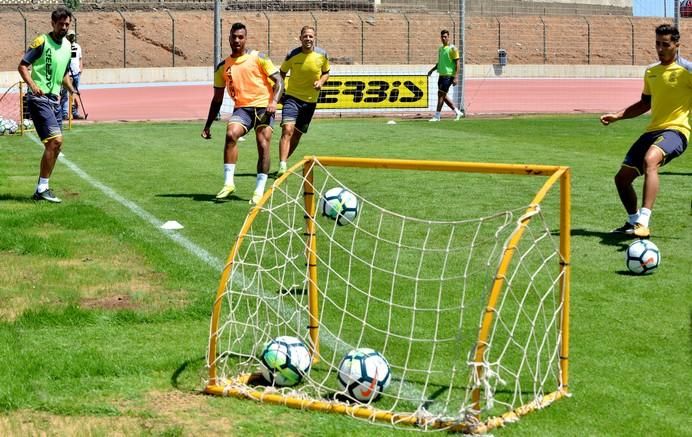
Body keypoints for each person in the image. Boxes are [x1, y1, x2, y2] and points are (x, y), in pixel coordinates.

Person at [600, 24, 691, 238]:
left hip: (677, 131)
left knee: (651, 159)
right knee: (622, 179)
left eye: (665, 44)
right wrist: (618, 115)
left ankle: (644, 220)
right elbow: (644, 104)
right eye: (657, 44)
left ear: (677, 44)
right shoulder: (651, 72)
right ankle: (632, 222)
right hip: (653, 130)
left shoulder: (687, 70)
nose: (660, 49)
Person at [201, 22, 284, 205]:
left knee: (263, 144)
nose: (237, 40)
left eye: (241, 37)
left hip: (264, 107)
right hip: (242, 109)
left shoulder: (259, 57)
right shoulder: (222, 67)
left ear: (245, 39)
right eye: (234, 37)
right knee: (231, 134)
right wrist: (207, 125)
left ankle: (259, 190)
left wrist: (273, 102)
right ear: (229, 39)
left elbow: (279, 81)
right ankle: (229, 183)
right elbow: (217, 99)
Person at [18, 7, 79, 203]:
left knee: (56, 146)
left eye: (67, 24)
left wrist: (73, 91)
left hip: (55, 100)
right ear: (53, 24)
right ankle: (42, 188)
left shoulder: (68, 47)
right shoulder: (41, 41)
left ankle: (42, 189)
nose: (64, 27)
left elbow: (63, 75)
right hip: (39, 99)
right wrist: (33, 85)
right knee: (56, 141)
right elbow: (22, 65)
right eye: (60, 24)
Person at [276, 25, 330, 176]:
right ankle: (282, 165)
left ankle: (284, 160)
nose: (308, 39)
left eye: (310, 36)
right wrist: (281, 92)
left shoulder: (322, 55)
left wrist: (321, 82)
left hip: (310, 102)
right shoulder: (292, 54)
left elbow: (326, 73)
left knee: (297, 134)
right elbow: (281, 73)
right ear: (300, 38)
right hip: (291, 98)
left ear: (314, 38)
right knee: (287, 129)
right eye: (305, 36)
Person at [427, 29, 464, 122]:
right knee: (442, 95)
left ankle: (437, 116)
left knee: (441, 95)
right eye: (442, 37)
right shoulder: (440, 49)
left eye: (445, 37)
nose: (443, 38)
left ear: (448, 37)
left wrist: (455, 77)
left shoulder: (453, 49)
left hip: (448, 75)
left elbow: (457, 64)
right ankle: (457, 112)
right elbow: (439, 63)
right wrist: (432, 70)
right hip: (441, 75)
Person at [59, 29, 83, 120]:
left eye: (73, 36)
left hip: (76, 73)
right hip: (67, 74)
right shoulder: (63, 46)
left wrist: (81, 68)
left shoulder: (77, 46)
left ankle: (74, 112)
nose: (72, 37)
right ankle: (64, 113)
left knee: (74, 93)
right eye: (70, 36)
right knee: (65, 94)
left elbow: (80, 58)